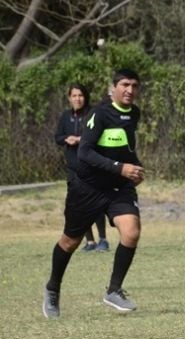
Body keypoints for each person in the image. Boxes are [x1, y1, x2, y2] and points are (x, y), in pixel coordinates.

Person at [42, 68, 145, 319]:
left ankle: (113, 290)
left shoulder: (134, 113)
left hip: (119, 186)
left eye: (134, 85)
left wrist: (135, 168)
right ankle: (53, 288)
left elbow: (126, 147)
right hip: (87, 186)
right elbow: (85, 152)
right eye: (124, 85)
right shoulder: (99, 113)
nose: (130, 90)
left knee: (131, 232)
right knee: (70, 241)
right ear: (113, 87)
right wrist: (121, 168)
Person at [54, 83, 110, 253]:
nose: (77, 99)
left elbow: (101, 136)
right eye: (74, 96)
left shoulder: (93, 114)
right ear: (69, 98)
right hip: (73, 170)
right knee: (79, 205)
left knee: (96, 204)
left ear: (85, 97)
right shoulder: (65, 116)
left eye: (80, 95)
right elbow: (57, 137)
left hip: (92, 168)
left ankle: (103, 240)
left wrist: (81, 140)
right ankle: (90, 241)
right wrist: (66, 139)